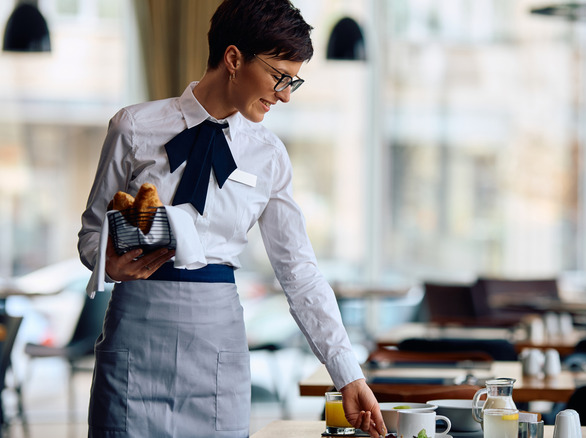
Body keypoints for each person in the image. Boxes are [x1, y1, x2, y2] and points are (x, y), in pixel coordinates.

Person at [77, 0, 386, 437]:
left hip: (217, 352)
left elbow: (298, 272)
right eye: (280, 76)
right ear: (234, 59)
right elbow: (92, 233)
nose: (284, 94)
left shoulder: (269, 155)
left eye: (292, 81)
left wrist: (348, 374)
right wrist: (106, 263)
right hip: (135, 344)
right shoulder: (133, 126)